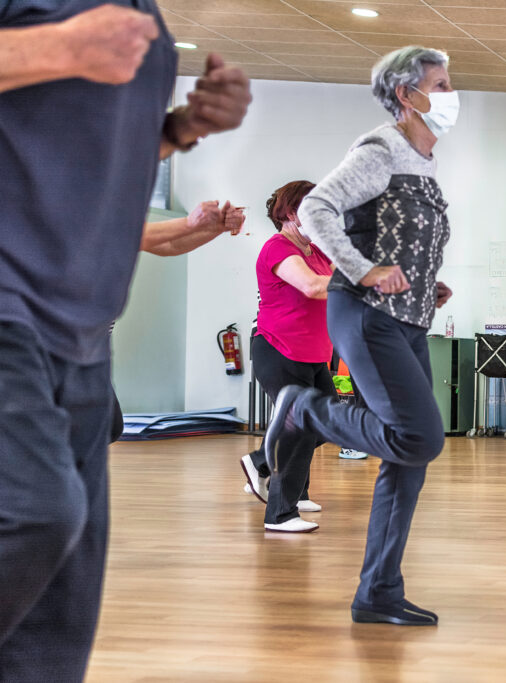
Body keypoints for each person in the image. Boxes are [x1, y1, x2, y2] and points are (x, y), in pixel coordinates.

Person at [0, 3, 250, 678]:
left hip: (79, 327)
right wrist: (57, 47)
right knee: (34, 515)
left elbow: (72, 147)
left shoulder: (145, 13)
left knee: (60, 605)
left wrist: (180, 129)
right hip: (8, 306)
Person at [264, 45, 456, 626]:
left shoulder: (423, 162)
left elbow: (397, 239)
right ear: (407, 94)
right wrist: (364, 269)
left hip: (407, 318)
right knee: (421, 437)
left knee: (408, 457)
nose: (451, 95)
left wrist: (427, 284)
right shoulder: (381, 147)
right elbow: (319, 207)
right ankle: (307, 409)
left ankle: (378, 592)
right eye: (441, 84)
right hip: (367, 313)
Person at [239, 180, 335, 531]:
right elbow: (311, 286)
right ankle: (281, 514)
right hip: (279, 349)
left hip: (313, 354)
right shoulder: (277, 248)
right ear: (292, 213)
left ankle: (262, 462)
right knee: (298, 428)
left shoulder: (317, 251)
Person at [109, 201, 246, 443]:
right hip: (53, 347)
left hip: (92, 350)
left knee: (110, 425)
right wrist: (191, 222)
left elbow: (170, 244)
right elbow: (133, 232)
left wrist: (217, 227)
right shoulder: (89, 224)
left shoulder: (113, 229)